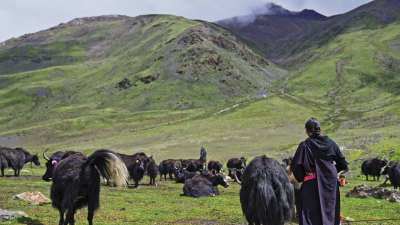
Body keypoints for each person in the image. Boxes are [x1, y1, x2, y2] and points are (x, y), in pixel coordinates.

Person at [291, 118, 348, 225]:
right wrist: (330, 173)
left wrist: (302, 177)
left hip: (310, 184)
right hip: (329, 186)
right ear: (320, 129)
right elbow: (343, 164)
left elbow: (297, 167)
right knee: (329, 215)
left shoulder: (304, 145)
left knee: (309, 218)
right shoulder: (331, 143)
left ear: (307, 131)